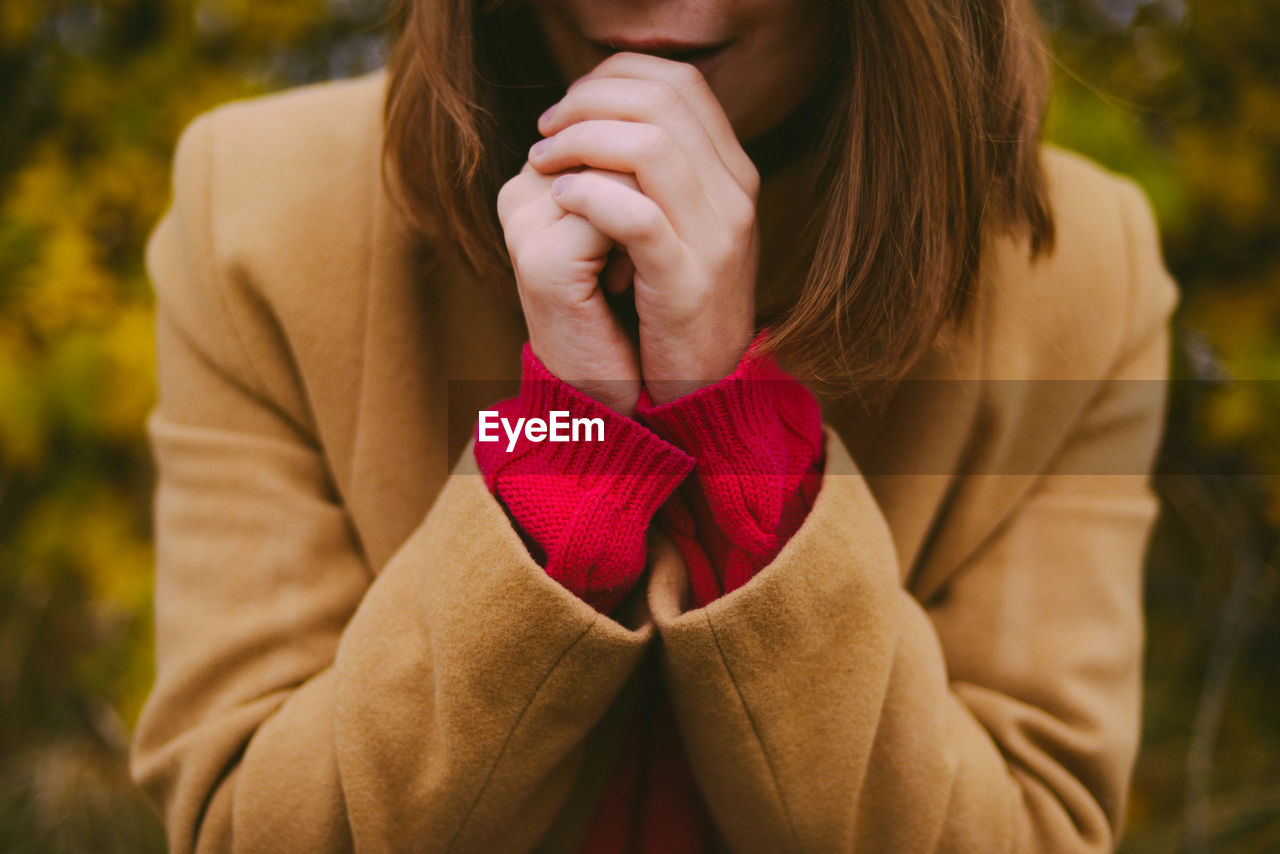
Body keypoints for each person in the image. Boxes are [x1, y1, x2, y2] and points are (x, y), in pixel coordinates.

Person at [127, 0, 1179, 849]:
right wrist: (569, 450)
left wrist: (737, 440)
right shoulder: (260, 217)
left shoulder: (1077, 276)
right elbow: (242, 825)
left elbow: (1031, 827)